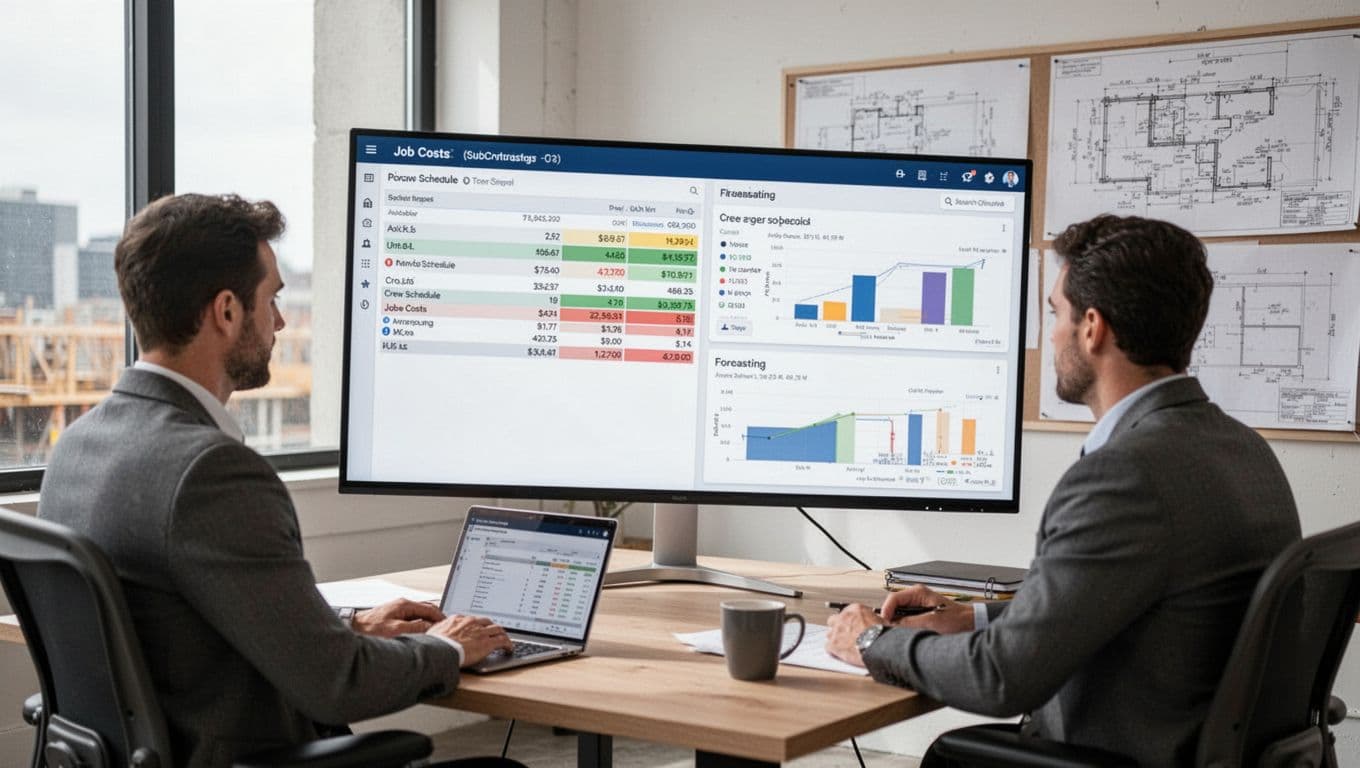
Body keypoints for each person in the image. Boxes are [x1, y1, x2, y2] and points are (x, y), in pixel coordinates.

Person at [38, 194, 518, 768]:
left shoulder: (78, 445)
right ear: (226, 311)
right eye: (273, 299)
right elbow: (339, 685)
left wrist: (349, 626)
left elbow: (184, 629)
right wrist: (445, 647)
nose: (282, 321)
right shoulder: (210, 471)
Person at [826, 214, 1301, 766]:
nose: (1050, 334)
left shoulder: (1125, 476)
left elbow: (1001, 680)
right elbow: (1133, 610)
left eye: (1056, 313)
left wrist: (871, 643)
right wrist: (974, 619)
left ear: (1092, 327)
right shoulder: (1242, 448)